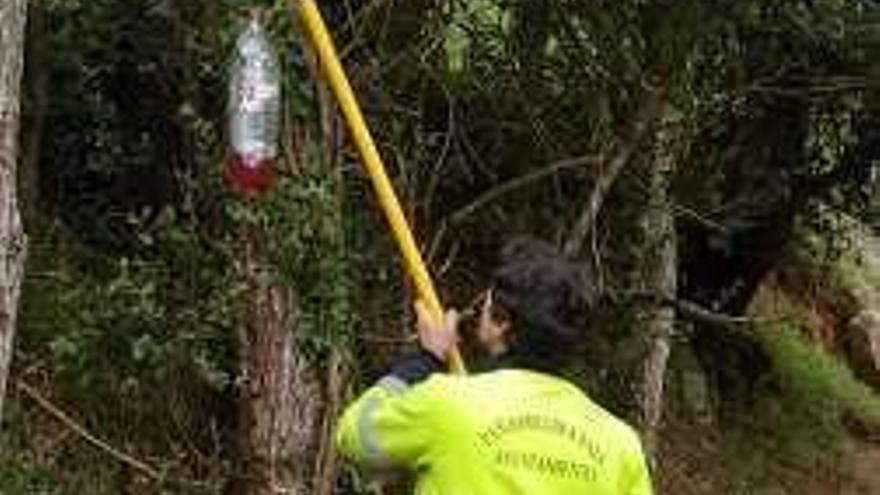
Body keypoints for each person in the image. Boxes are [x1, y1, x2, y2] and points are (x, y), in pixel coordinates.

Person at [336, 237, 653, 494]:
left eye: (485, 304)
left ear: (501, 322)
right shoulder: (621, 445)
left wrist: (425, 360)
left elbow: (355, 436)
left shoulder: (448, 404)